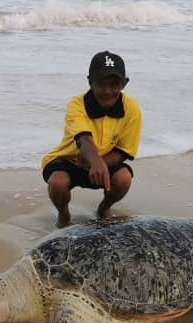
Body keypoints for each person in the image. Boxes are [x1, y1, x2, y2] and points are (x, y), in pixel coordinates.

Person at [41, 51, 142, 228]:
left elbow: (125, 151)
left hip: (105, 163)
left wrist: (100, 163)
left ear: (125, 83)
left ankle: (104, 208)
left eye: (114, 84)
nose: (107, 90)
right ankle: (64, 215)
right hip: (71, 161)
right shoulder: (77, 103)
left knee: (124, 178)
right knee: (57, 181)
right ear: (90, 82)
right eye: (100, 83)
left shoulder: (132, 108)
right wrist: (94, 161)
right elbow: (83, 139)